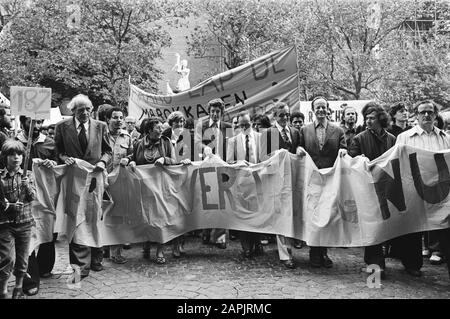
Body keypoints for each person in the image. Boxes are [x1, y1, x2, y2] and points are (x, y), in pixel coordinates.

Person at [54, 94, 112, 282]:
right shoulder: (62, 127)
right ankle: (80, 266)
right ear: (73, 111)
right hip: (74, 180)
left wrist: (103, 162)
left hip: (95, 180)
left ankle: (96, 257)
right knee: (76, 220)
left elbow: (108, 151)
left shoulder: (100, 126)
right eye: (81, 111)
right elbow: (58, 151)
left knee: (94, 217)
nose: (85, 113)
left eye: (88, 109)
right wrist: (64, 159)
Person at [396, 100, 450, 278]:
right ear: (416, 115)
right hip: (413, 188)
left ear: (435, 115)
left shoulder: (445, 138)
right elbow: (398, 162)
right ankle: (412, 264)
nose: (426, 115)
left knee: (443, 227)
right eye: (422, 112)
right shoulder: (404, 137)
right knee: (413, 227)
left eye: (430, 112)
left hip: (439, 192)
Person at [348, 102, 396, 279]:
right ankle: (375, 263)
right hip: (366, 188)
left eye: (372, 118)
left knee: (383, 225)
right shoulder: (358, 138)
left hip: (386, 186)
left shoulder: (391, 138)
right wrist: (360, 160)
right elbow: (352, 162)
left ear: (380, 119)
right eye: (366, 118)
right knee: (371, 225)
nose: (368, 121)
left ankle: (380, 260)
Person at [299, 96, 347, 269]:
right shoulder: (304, 130)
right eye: (317, 107)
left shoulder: (338, 131)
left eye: (323, 107)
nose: (320, 110)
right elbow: (299, 148)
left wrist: (343, 151)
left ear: (328, 109)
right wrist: (298, 149)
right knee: (313, 216)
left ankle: (324, 252)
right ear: (313, 110)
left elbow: (344, 149)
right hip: (311, 180)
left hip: (330, 180)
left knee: (327, 216)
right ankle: (314, 253)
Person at [123, 117, 178, 264]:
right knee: (146, 218)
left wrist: (165, 160)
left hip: (161, 188)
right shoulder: (138, 143)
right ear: (149, 130)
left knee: (161, 219)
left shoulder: (166, 142)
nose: (161, 130)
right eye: (158, 128)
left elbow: (175, 161)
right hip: (143, 188)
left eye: (161, 128)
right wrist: (131, 161)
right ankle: (146, 245)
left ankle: (160, 251)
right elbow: (133, 157)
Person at [16, 116, 57, 296]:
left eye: (40, 122)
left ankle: (45, 266)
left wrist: (52, 163)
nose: (38, 126)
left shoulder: (49, 143)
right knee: (26, 233)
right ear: (23, 121)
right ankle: (29, 277)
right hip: (23, 195)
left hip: (45, 195)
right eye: (33, 122)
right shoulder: (14, 143)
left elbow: (59, 165)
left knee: (46, 227)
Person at [259, 101, 301, 269]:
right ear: (275, 116)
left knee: (293, 214)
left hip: (294, 179)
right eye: (281, 115)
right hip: (277, 181)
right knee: (282, 216)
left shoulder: (296, 132)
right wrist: (276, 155)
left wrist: (299, 151)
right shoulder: (269, 133)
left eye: (287, 115)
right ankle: (285, 255)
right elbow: (262, 158)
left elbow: (299, 150)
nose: (285, 118)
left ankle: (289, 247)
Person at [194, 98, 232, 249]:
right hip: (206, 166)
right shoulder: (202, 125)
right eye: (212, 111)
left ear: (222, 112)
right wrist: (205, 147)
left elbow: (232, 144)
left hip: (223, 165)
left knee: (222, 201)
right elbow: (196, 142)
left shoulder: (227, 126)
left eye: (218, 111)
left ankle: (220, 236)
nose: (215, 114)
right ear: (209, 112)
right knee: (207, 199)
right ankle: (206, 231)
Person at [0, 140, 36, 299]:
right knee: (7, 258)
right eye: (12, 154)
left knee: (22, 258)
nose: (16, 158)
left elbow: (33, 196)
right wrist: (10, 206)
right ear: (5, 157)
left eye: (19, 154)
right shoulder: (1, 177)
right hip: (5, 224)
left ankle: (19, 287)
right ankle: (3, 289)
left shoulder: (27, 175)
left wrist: (27, 185)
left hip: (25, 223)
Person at [226, 111, 264, 258]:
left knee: (258, 214)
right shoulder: (233, 141)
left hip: (258, 181)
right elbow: (229, 162)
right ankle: (246, 246)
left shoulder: (261, 138)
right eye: (241, 125)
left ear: (252, 123)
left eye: (246, 124)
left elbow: (266, 159)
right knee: (243, 215)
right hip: (241, 183)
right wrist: (240, 164)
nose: (244, 127)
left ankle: (257, 242)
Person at [104, 107, 133, 264]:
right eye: (115, 117)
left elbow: (132, 153)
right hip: (102, 180)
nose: (119, 120)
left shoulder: (127, 137)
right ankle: (102, 249)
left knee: (118, 217)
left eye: (121, 117)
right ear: (108, 119)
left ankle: (115, 252)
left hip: (120, 182)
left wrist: (128, 159)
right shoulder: (101, 135)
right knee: (101, 215)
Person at [162, 111, 192, 257]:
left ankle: (180, 243)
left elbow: (193, 153)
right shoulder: (164, 137)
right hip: (168, 179)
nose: (180, 125)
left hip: (183, 179)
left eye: (182, 122)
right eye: (176, 122)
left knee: (183, 212)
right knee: (171, 212)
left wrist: (188, 159)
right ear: (171, 124)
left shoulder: (187, 136)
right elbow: (162, 156)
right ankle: (173, 243)